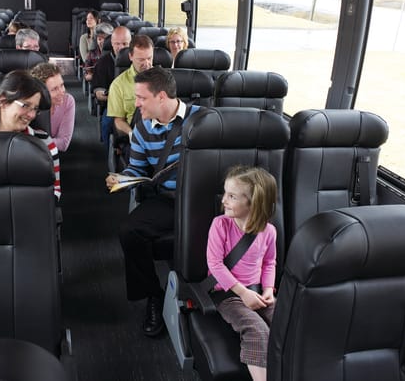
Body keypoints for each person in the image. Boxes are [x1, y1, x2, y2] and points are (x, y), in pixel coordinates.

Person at [105, 66, 201, 337]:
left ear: (161, 96)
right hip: (169, 199)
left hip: (207, 199)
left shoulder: (204, 119)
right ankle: (153, 295)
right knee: (129, 231)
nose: (136, 104)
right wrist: (122, 178)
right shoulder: (142, 129)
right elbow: (136, 168)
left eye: (141, 98)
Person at [206, 165, 277, 381]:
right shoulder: (220, 225)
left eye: (232, 196)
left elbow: (269, 262)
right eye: (225, 193)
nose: (223, 200)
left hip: (257, 291)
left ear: (253, 202)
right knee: (257, 330)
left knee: (285, 321)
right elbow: (215, 264)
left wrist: (268, 289)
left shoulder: (269, 231)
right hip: (227, 294)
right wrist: (243, 293)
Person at [0, 70, 61, 201]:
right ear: (3, 102)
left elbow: (55, 191)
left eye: (35, 109)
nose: (32, 115)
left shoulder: (44, 143)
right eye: (25, 105)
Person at [107, 34, 154, 142]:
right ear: (130, 57)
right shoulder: (118, 85)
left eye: (149, 58)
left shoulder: (164, 79)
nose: (146, 63)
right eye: (141, 60)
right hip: (136, 133)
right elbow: (118, 121)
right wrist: (132, 134)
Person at [91, 26, 131, 150]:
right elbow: (98, 92)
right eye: (117, 44)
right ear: (112, 44)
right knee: (107, 123)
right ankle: (109, 153)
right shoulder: (103, 63)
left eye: (125, 44)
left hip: (137, 104)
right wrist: (114, 96)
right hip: (112, 104)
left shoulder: (137, 60)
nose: (121, 47)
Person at [30, 62, 76, 152]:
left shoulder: (67, 101)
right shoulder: (29, 107)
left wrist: (33, 142)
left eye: (62, 85)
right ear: (41, 93)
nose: (62, 92)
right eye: (54, 89)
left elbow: (63, 144)